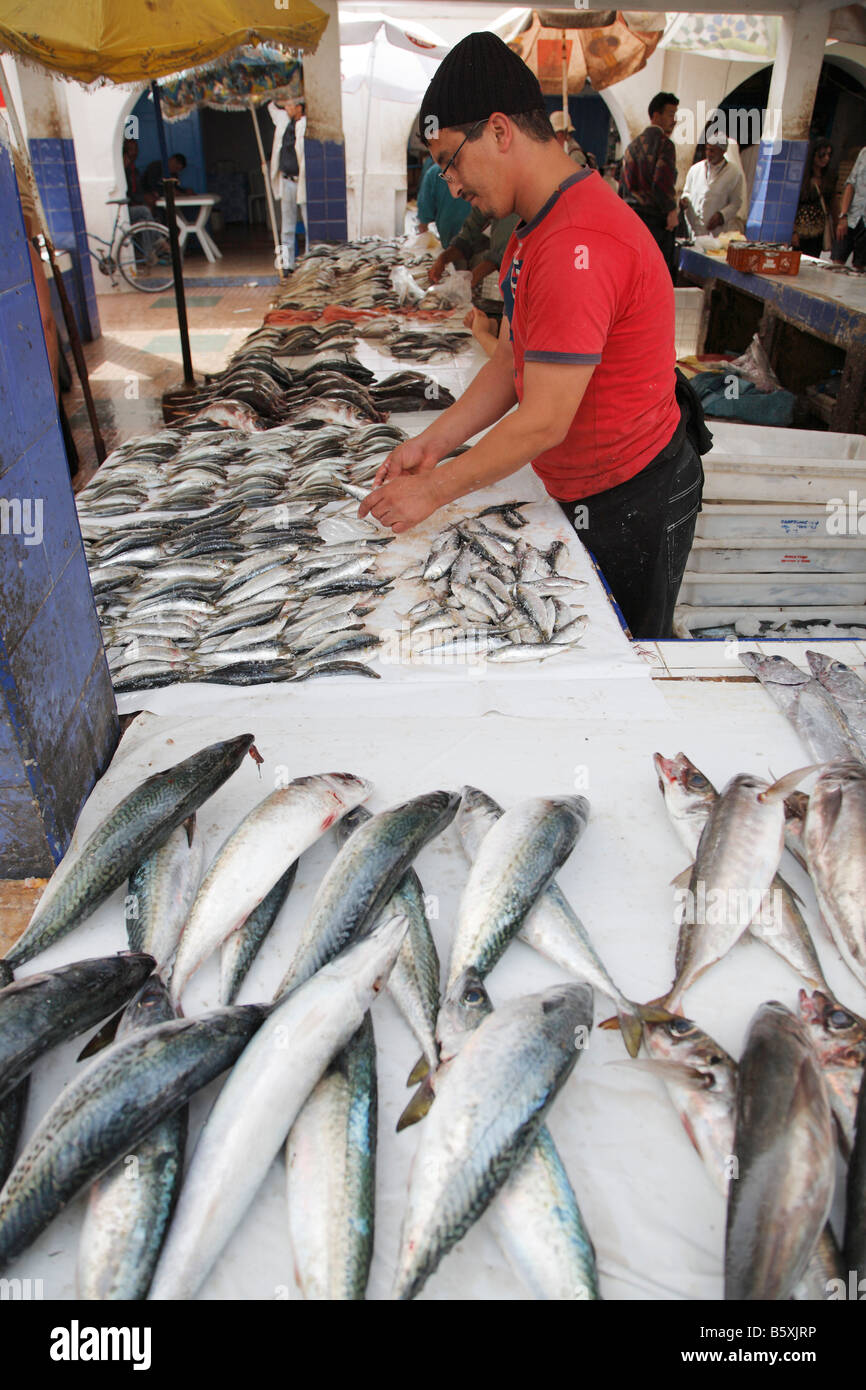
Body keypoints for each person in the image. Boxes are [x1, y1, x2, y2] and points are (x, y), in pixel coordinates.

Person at [359, 33, 707, 640]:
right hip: (587, 486)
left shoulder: (579, 241)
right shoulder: (533, 228)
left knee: (620, 657)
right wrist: (434, 443)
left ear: (499, 131)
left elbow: (545, 419)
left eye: (450, 161)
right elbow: (515, 359)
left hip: (634, 497)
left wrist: (436, 490)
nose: (452, 184)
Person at [620, 91, 679, 279]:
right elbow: (662, 183)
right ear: (655, 115)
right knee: (654, 276)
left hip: (630, 221)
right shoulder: (664, 145)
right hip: (654, 223)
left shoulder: (632, 146)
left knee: (631, 273)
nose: (674, 120)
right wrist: (671, 210)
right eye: (670, 114)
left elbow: (622, 187)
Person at [429, 207, 519, 288]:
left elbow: (500, 255)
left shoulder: (507, 203)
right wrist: (442, 259)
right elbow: (467, 237)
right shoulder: (483, 199)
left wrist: (468, 281)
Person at [680, 133, 745, 238]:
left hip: (717, 231)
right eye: (707, 149)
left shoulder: (734, 174)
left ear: (723, 151)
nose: (708, 154)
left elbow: (736, 203)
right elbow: (687, 192)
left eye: (713, 151)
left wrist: (721, 215)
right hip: (695, 230)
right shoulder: (695, 169)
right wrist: (685, 200)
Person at [416, 154, 471, 253]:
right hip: (478, 242)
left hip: (450, 241)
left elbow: (424, 217)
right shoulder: (478, 170)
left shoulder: (435, 173)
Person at [277, 97, 306, 270]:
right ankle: (286, 264)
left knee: (310, 222)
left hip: (302, 180)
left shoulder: (305, 124)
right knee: (287, 226)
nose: (286, 108)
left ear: (299, 107)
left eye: (290, 105)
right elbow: (271, 107)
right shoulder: (284, 124)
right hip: (287, 179)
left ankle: (311, 262)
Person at [792, 138, 833, 256]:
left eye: (829, 155)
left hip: (819, 232)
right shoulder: (802, 178)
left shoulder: (828, 179)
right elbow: (794, 205)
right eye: (822, 154)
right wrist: (794, 232)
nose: (826, 158)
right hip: (801, 231)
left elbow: (833, 204)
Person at [834, 145, 866, 269]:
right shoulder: (864, 152)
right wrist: (843, 215)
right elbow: (850, 184)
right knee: (836, 264)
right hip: (851, 217)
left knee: (859, 268)